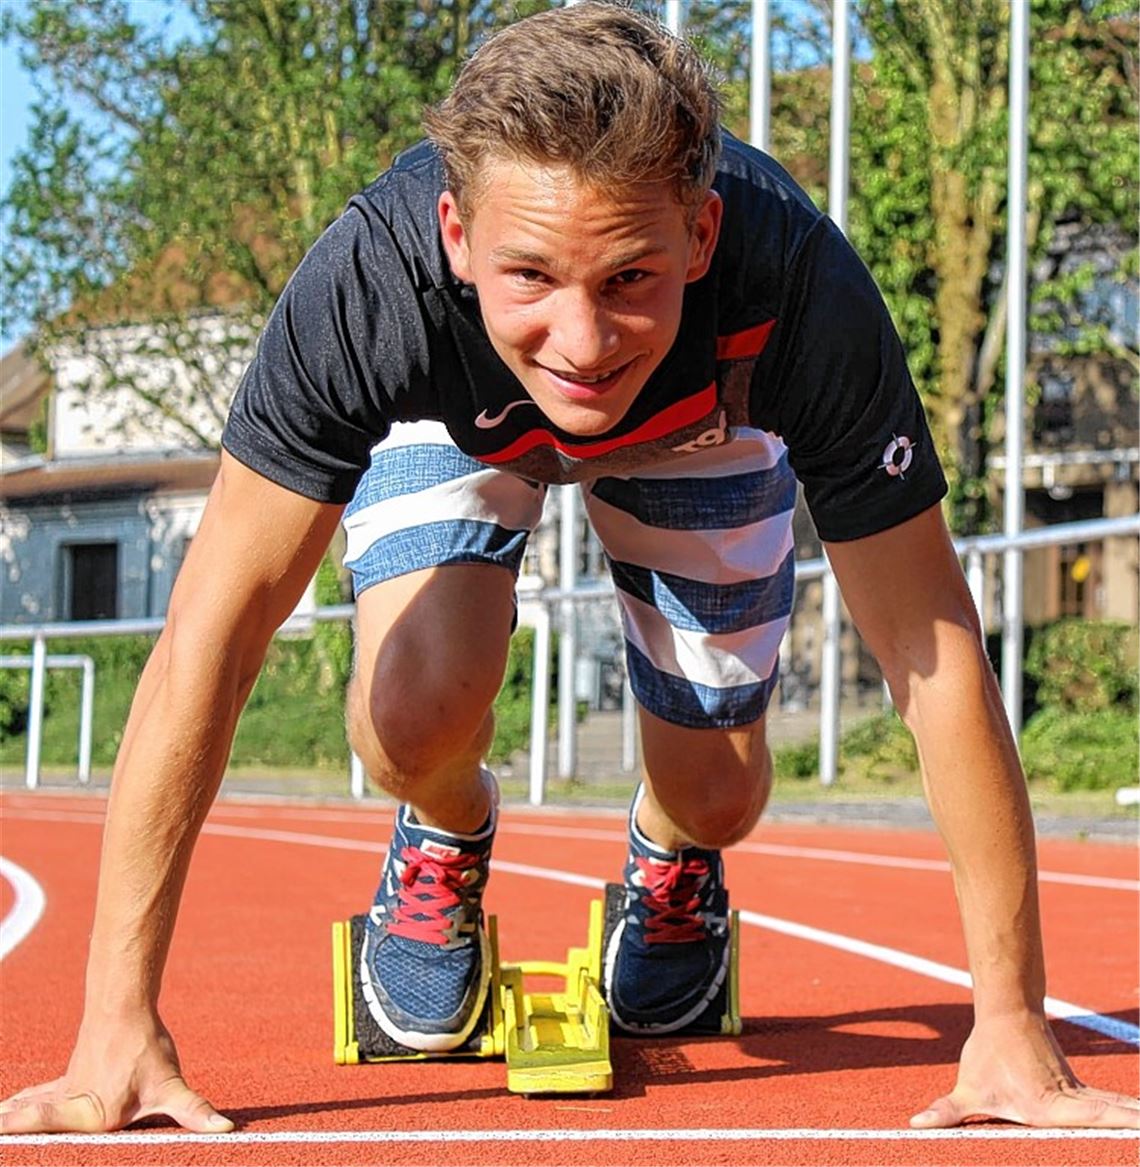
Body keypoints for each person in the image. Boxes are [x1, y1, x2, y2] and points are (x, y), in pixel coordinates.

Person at [2, 1, 1136, 1135]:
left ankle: (673, 856)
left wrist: (1014, 1026)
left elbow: (928, 645)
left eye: (631, 277)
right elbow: (213, 632)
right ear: (454, 235)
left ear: (701, 236)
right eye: (531, 274)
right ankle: (444, 829)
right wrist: (116, 1021)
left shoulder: (798, 288)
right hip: (461, 417)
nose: (584, 343)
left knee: (720, 793)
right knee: (410, 720)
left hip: (702, 424)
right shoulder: (370, 289)